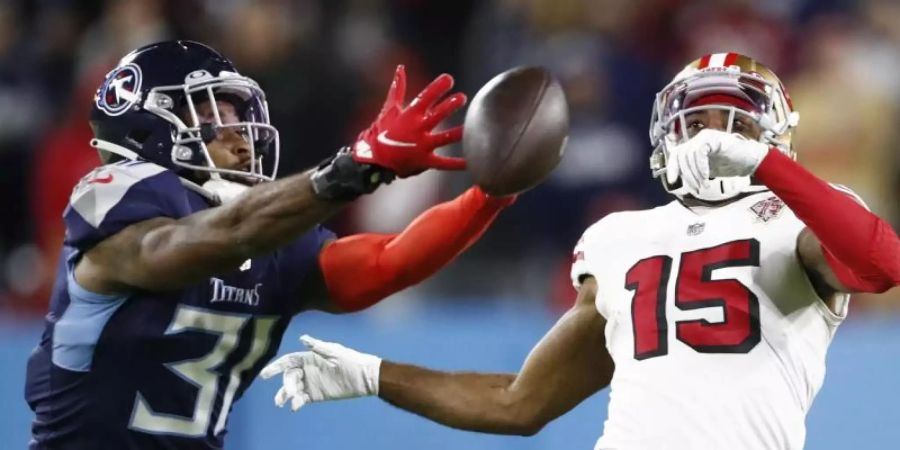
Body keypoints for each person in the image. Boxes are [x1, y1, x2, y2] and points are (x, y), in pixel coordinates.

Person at [261, 53, 900, 450]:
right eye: (697, 120)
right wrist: (374, 375)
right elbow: (519, 402)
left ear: (774, 138)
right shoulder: (619, 238)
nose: (714, 136)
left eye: (737, 121)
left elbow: (882, 266)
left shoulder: (804, 213)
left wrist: (763, 168)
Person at [24, 40, 515, 450]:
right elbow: (182, 248)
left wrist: (490, 195)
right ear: (148, 123)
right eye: (215, 114)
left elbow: (386, 264)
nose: (242, 136)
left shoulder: (267, 228)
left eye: (240, 115)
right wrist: (354, 168)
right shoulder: (122, 195)